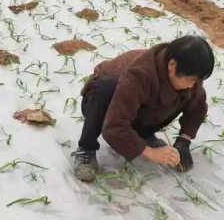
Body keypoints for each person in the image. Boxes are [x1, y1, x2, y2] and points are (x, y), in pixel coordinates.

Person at [72, 35, 215, 182]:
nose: (193, 85)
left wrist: (184, 140)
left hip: (135, 109)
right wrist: (151, 152)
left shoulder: (187, 75)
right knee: (104, 88)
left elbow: (197, 108)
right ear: (172, 64)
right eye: (191, 80)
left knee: (186, 94)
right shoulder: (139, 74)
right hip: (106, 106)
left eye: (197, 81)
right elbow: (114, 125)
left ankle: (141, 134)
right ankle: (86, 150)